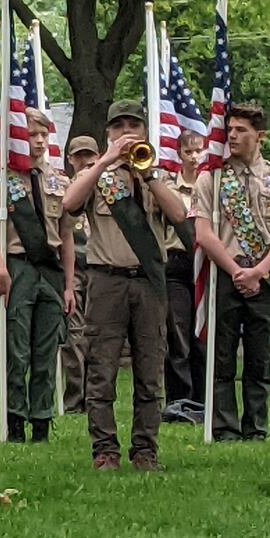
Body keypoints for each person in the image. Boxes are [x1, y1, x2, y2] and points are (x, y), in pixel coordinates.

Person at [63, 99, 187, 471]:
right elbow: (69, 202)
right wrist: (104, 161)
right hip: (106, 280)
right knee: (101, 370)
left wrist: (146, 175)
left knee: (150, 371)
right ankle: (105, 450)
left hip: (148, 282)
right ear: (108, 133)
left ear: (145, 132)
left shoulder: (156, 174)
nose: (126, 132)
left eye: (133, 125)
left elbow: (180, 215)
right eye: (119, 127)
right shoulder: (97, 176)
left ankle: (145, 451)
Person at [195, 103, 270, 442]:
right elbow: (204, 233)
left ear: (260, 136)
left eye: (242, 130)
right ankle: (224, 428)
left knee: (260, 359)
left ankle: (256, 428)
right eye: (231, 130)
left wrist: (259, 271)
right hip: (227, 273)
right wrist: (236, 270)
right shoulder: (213, 178)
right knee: (222, 357)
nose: (233, 136)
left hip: (266, 276)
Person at [0, 108, 75, 443]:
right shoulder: (3, 181)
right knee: (16, 350)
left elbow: (66, 235)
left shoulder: (58, 181)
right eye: (30, 135)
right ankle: (16, 418)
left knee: (46, 350)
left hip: (50, 271)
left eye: (42, 135)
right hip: (17, 267)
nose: (37, 142)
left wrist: (69, 283)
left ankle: (42, 421)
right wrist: (0, 268)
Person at [161, 129, 206, 412]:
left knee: (201, 334)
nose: (194, 157)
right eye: (188, 151)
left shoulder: (209, 187)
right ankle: (179, 398)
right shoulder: (170, 188)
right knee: (177, 335)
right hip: (176, 262)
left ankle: (202, 398)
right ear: (179, 154)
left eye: (198, 150)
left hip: (203, 263)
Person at [61, 136, 98, 414]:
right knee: (74, 337)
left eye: (90, 155)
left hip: (100, 268)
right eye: (79, 156)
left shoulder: (108, 188)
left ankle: (96, 395)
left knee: (98, 336)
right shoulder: (63, 189)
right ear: (71, 160)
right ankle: (75, 399)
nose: (85, 161)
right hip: (74, 270)